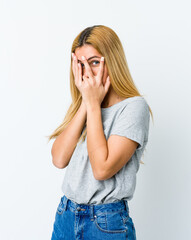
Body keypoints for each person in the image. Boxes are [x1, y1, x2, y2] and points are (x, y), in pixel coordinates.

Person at [48, 25, 153, 240]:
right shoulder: (85, 105)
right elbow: (58, 159)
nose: (87, 72)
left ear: (112, 61)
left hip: (105, 222)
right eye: (80, 64)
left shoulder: (133, 108)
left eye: (94, 62)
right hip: (66, 215)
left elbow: (102, 169)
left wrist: (93, 104)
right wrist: (87, 103)